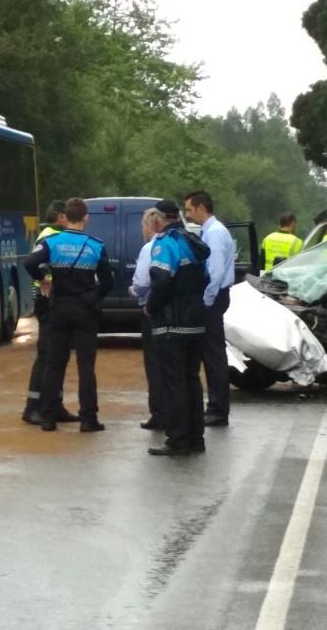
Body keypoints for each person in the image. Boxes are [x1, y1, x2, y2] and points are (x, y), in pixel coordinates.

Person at [24, 197, 113, 432]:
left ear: (66, 216)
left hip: (59, 308)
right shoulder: (96, 245)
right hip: (85, 309)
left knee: (54, 364)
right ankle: (88, 419)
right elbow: (108, 281)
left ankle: (48, 417)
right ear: (85, 218)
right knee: (86, 366)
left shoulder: (52, 242)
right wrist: (94, 297)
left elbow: (30, 262)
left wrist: (43, 279)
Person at [145, 199, 211, 456]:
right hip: (195, 321)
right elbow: (205, 279)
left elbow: (160, 280)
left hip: (172, 323)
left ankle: (177, 439)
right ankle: (196, 437)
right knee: (191, 379)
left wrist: (152, 307)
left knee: (173, 382)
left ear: (159, 220)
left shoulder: (165, 244)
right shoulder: (193, 244)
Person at [22, 200, 80, 425]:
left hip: (56, 299)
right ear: (60, 216)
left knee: (58, 355)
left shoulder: (56, 234)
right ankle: (32, 406)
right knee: (46, 355)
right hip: (47, 300)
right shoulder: (49, 234)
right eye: (66, 215)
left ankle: (55, 404)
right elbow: (33, 264)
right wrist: (43, 279)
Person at [184, 190, 234, 427]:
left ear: (201, 207)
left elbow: (215, 273)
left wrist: (205, 301)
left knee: (213, 356)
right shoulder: (212, 231)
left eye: (189, 209)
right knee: (212, 354)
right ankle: (216, 406)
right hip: (215, 297)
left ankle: (217, 408)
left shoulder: (214, 234)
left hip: (213, 299)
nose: (187, 214)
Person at [130, 207, 166, 430]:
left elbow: (142, 281)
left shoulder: (149, 248)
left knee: (153, 364)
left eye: (143, 225)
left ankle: (158, 414)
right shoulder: (173, 245)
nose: (142, 230)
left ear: (150, 225)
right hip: (169, 311)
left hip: (150, 309)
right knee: (168, 364)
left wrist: (133, 290)